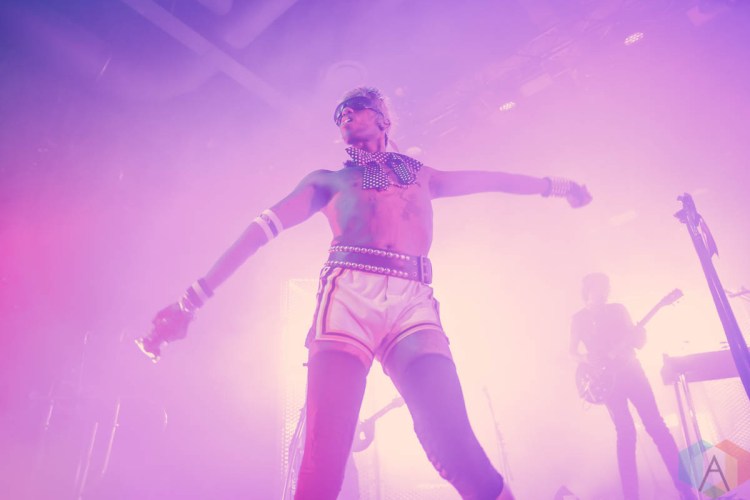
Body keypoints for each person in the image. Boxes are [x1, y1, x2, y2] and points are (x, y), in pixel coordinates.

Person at [139, 87, 592, 499]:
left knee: (454, 444)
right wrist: (190, 302)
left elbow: (491, 180)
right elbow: (260, 232)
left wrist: (557, 187)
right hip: (347, 300)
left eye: (353, 109)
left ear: (382, 118)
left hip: (413, 303)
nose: (344, 118)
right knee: (324, 457)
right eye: (338, 115)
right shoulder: (328, 181)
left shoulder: (422, 175)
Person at [569, 273, 697, 500]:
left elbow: (638, 343)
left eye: (607, 287)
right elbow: (572, 352)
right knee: (625, 433)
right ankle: (631, 495)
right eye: (601, 287)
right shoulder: (579, 319)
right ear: (589, 289)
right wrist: (587, 359)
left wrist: (640, 336)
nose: (605, 292)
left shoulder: (618, 310)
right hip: (607, 382)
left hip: (632, 372)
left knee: (656, 426)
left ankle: (686, 489)